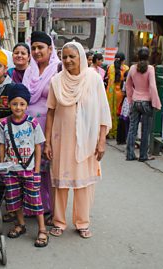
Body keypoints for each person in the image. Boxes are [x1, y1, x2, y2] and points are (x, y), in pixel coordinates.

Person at [45, 41, 111, 239]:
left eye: (72, 56)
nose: (67, 60)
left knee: (83, 184)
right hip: (61, 139)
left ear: (81, 57)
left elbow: (102, 111)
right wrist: (47, 142)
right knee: (60, 183)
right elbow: (50, 112)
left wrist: (101, 141)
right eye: (64, 57)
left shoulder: (94, 79)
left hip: (88, 141)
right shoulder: (56, 81)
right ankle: (59, 222)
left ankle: (82, 222)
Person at [0, 83, 48, 248]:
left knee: (35, 200)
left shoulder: (32, 123)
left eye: (22, 104)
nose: (18, 107)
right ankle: (20, 224)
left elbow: (38, 146)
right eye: (14, 104)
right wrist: (4, 166)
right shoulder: (4, 124)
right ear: (9, 104)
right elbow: (1, 145)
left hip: (30, 169)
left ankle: (42, 229)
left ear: (27, 105)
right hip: (11, 171)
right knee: (14, 199)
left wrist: (37, 170)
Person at [22, 31, 61, 220]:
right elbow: (23, 97)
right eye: (34, 48)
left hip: (51, 126)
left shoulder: (58, 69)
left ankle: (50, 208)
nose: (37, 52)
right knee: (31, 167)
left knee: (48, 169)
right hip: (28, 128)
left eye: (41, 48)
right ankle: (33, 206)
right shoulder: (30, 71)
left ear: (50, 49)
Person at [125, 47, 161, 162]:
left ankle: (130, 154)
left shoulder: (132, 68)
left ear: (138, 56)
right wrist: (156, 103)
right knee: (145, 130)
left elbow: (128, 85)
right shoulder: (150, 69)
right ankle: (143, 155)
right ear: (148, 56)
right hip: (146, 102)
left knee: (132, 129)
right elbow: (152, 86)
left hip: (135, 101)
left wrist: (130, 99)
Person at [106, 52, 129, 140]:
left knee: (111, 112)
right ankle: (118, 132)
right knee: (119, 113)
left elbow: (110, 81)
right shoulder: (126, 68)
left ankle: (110, 131)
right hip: (121, 93)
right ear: (123, 60)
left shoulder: (110, 68)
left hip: (111, 93)